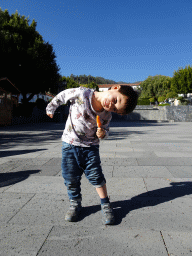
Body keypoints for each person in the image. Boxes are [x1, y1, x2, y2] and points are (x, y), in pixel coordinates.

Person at [46, 85, 138, 225]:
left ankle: (105, 204)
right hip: (69, 144)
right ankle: (74, 203)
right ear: (115, 87)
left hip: (90, 148)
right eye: (115, 100)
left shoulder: (106, 115)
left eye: (114, 109)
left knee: (96, 176)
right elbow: (63, 95)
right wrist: (51, 107)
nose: (111, 106)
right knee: (70, 177)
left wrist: (103, 133)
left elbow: (105, 130)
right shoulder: (82, 93)